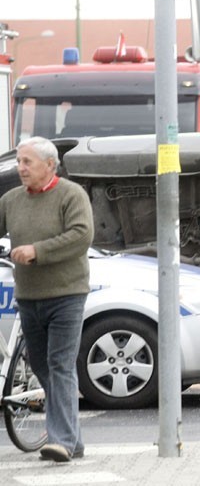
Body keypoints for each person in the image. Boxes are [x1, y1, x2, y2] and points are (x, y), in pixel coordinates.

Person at [0, 137, 94, 462]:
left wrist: (38, 251)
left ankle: (62, 442)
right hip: (29, 296)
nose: (20, 168)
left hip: (66, 294)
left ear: (49, 165)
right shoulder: (11, 200)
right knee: (42, 366)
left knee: (60, 364)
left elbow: (81, 235)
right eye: (19, 162)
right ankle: (73, 440)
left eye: (27, 162)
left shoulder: (71, 194)